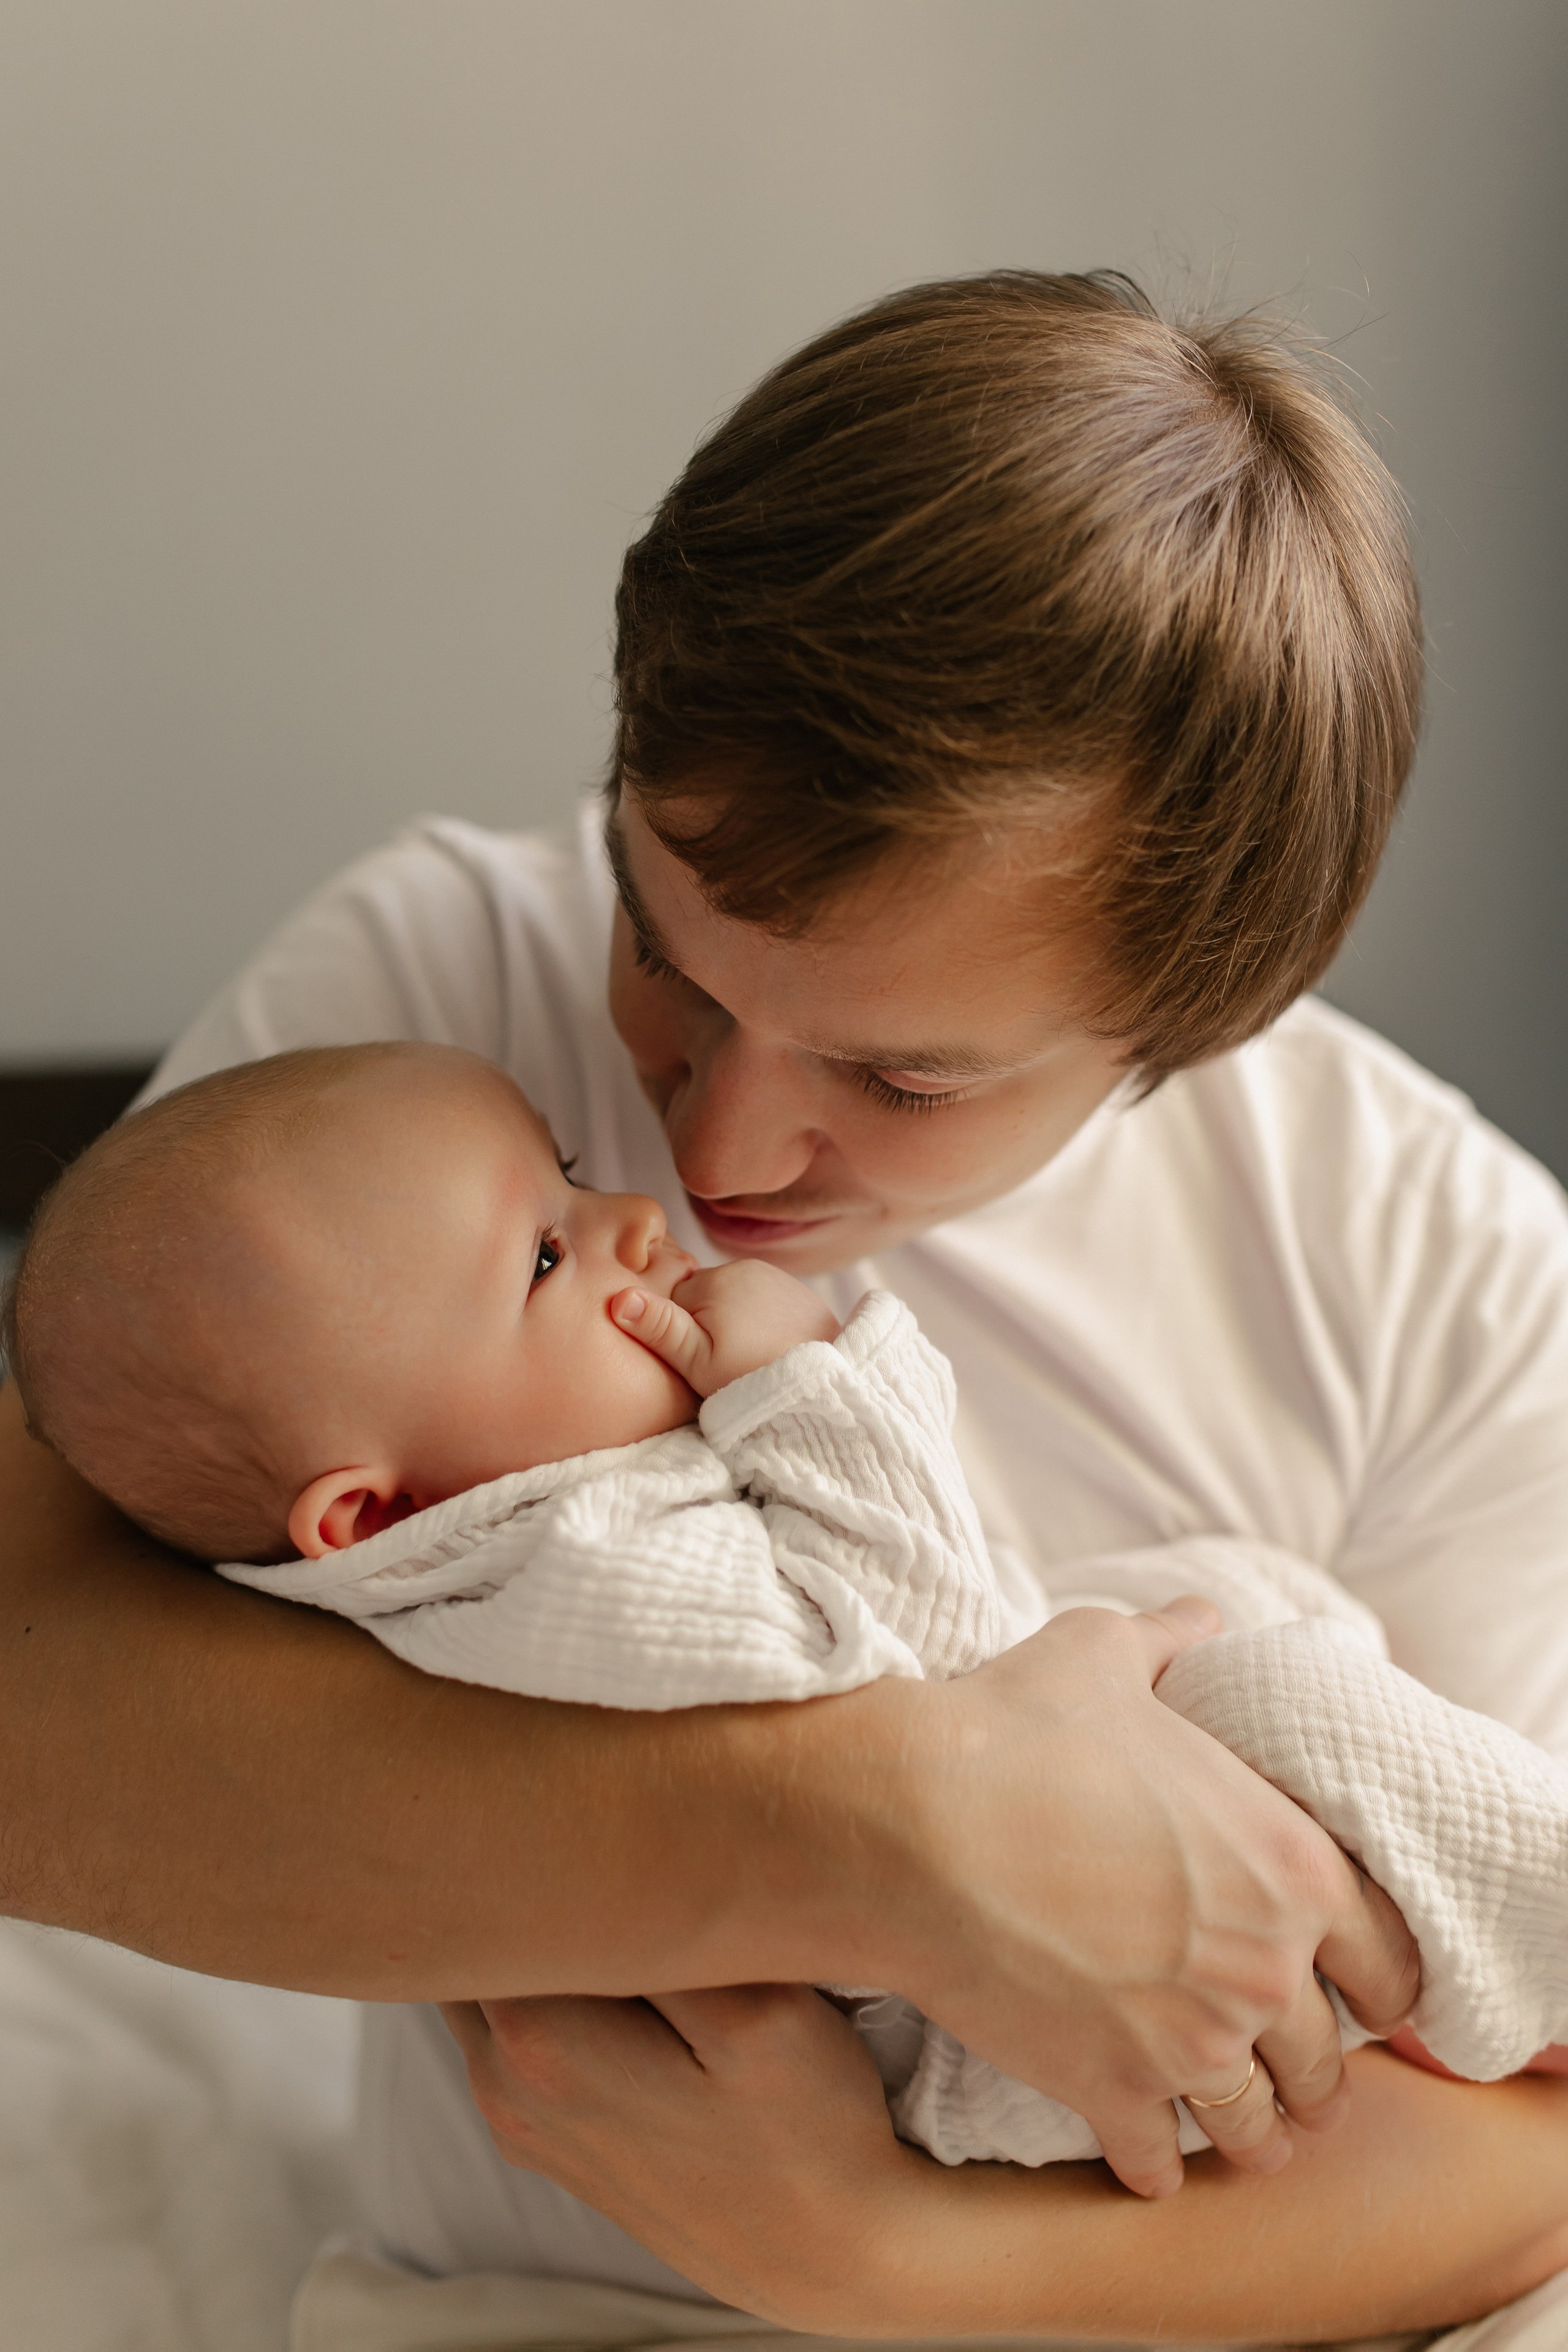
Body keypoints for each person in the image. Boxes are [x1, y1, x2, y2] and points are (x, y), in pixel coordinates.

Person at [2, 267, 1566, 2341]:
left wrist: (876, 2251)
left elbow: (1533, 2126)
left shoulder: (1435, 1267)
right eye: (666, 946)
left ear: (1203, 1018)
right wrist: (897, 1827)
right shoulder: (415, 1041)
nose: (718, 1157)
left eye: (902, 1081)